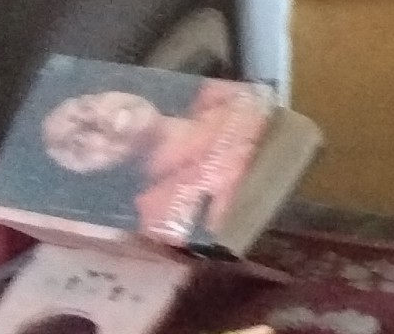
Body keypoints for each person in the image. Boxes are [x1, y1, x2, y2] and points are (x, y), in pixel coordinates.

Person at [35, 78, 268, 245]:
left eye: (87, 105)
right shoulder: (165, 218)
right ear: (94, 177)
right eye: (79, 142)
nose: (97, 119)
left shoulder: (224, 91)